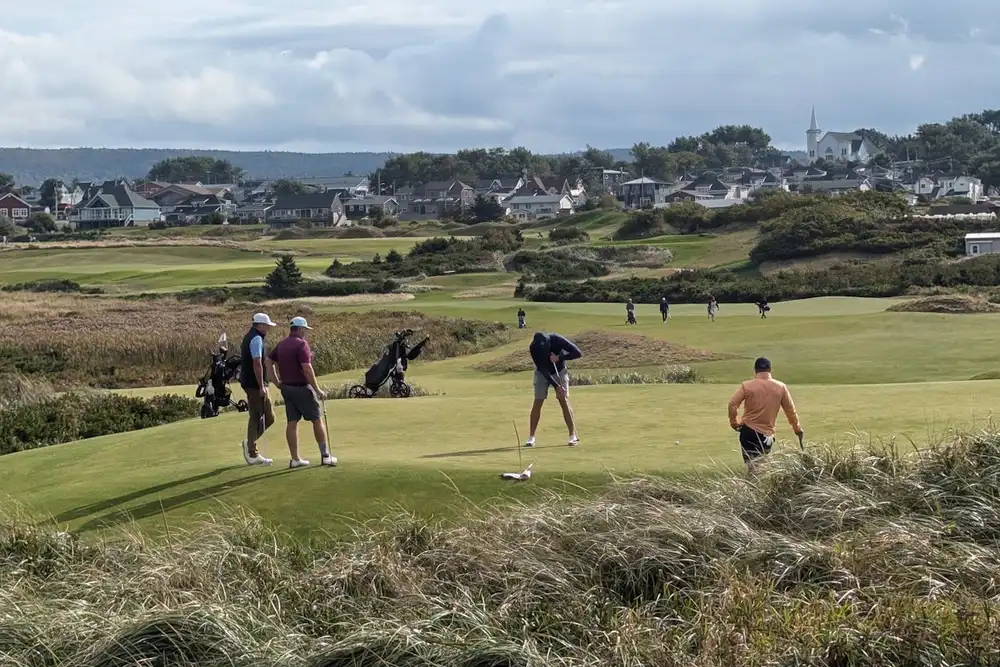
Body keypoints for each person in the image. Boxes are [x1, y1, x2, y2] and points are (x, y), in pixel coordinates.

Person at [266, 316, 337, 469]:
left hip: (287, 388)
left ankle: (295, 459)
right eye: (304, 329)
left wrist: (277, 382)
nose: (305, 332)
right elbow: (307, 368)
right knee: (317, 420)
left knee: (292, 422)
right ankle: (325, 456)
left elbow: (268, 361)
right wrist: (317, 389)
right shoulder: (302, 344)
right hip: (302, 388)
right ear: (299, 329)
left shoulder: (282, 344)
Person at [727, 357, 803, 473]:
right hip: (766, 435)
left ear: (755, 370)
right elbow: (790, 410)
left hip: (748, 431)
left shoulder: (747, 386)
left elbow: (733, 404)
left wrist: (734, 423)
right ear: (770, 369)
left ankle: (751, 488)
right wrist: (797, 429)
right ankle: (756, 488)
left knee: (752, 467)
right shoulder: (781, 387)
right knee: (761, 467)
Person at [525, 332, 581, 447]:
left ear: (548, 342)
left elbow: (578, 353)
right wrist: (556, 386)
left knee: (563, 400)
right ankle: (531, 437)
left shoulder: (556, 340)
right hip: (542, 373)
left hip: (559, 370)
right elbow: (542, 368)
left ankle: (572, 435)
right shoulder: (533, 347)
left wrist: (559, 358)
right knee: (538, 401)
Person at [239, 312, 277, 466]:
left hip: (251, 382)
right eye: (266, 325)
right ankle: (251, 451)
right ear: (260, 325)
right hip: (254, 384)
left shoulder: (252, 336)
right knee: (258, 415)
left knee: (267, 416)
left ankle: (250, 443)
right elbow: (257, 363)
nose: (268, 328)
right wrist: (261, 385)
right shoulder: (255, 339)